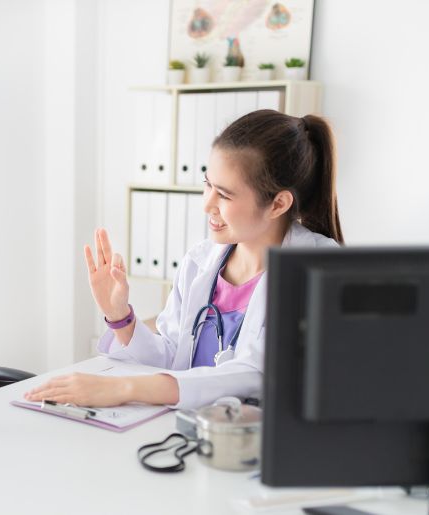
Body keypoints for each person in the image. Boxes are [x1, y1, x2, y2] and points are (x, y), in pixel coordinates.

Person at [26, 110, 343, 410]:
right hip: (185, 434)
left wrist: (123, 389)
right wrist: (118, 314)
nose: (207, 205)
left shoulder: (317, 270)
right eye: (208, 185)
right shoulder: (200, 262)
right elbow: (171, 358)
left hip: (254, 448)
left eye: (224, 194)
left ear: (278, 204)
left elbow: (256, 374)